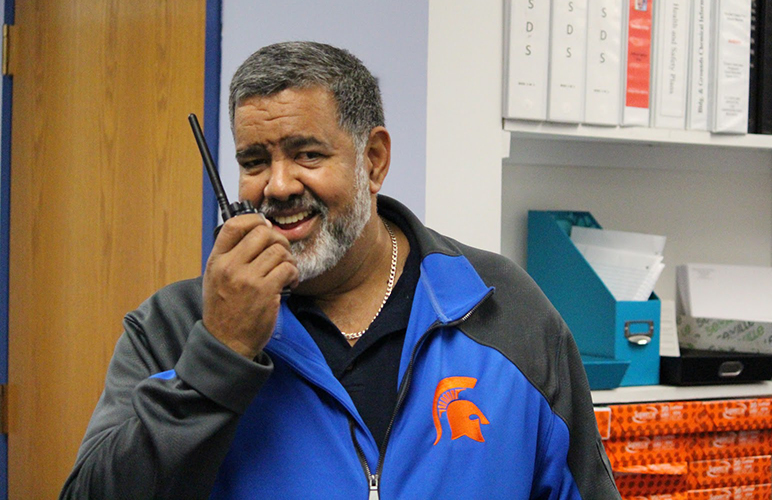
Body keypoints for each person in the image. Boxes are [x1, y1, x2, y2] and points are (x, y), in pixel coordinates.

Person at [60, 41, 619, 499]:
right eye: (254, 162)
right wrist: (219, 354)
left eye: (308, 155)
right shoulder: (174, 325)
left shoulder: (502, 306)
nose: (277, 187)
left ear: (373, 160)